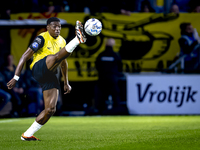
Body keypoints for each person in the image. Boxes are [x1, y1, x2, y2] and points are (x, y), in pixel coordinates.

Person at [7, 17, 86, 141]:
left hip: (50, 75)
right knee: (54, 57)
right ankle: (77, 39)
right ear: (47, 27)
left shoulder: (62, 41)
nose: (57, 29)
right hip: (38, 68)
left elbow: (63, 63)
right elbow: (24, 56)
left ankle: (27, 135)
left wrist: (66, 82)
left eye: (59, 27)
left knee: (50, 110)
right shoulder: (41, 38)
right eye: (54, 26)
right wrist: (16, 77)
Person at [95, 38, 123, 113]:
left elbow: (97, 66)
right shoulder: (115, 55)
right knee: (115, 96)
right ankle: (117, 110)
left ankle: (101, 111)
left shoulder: (101, 55)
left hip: (102, 79)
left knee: (102, 96)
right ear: (113, 45)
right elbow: (120, 67)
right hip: (113, 79)